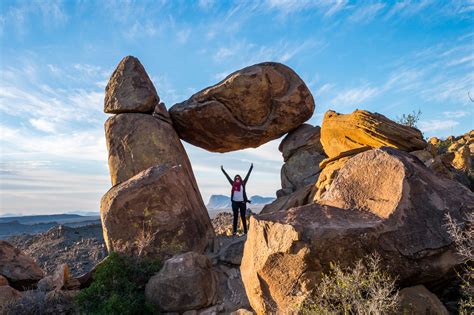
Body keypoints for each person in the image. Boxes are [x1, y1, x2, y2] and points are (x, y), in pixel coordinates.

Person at [221, 163, 253, 236]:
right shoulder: (233, 184)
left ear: (240, 179)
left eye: (238, 178)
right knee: (235, 217)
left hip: (242, 203)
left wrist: (251, 168)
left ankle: (245, 231)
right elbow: (227, 177)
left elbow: (248, 175)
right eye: (236, 178)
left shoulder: (243, 183)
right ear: (235, 179)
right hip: (235, 203)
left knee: (243, 217)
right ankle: (234, 232)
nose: (237, 179)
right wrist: (223, 170)